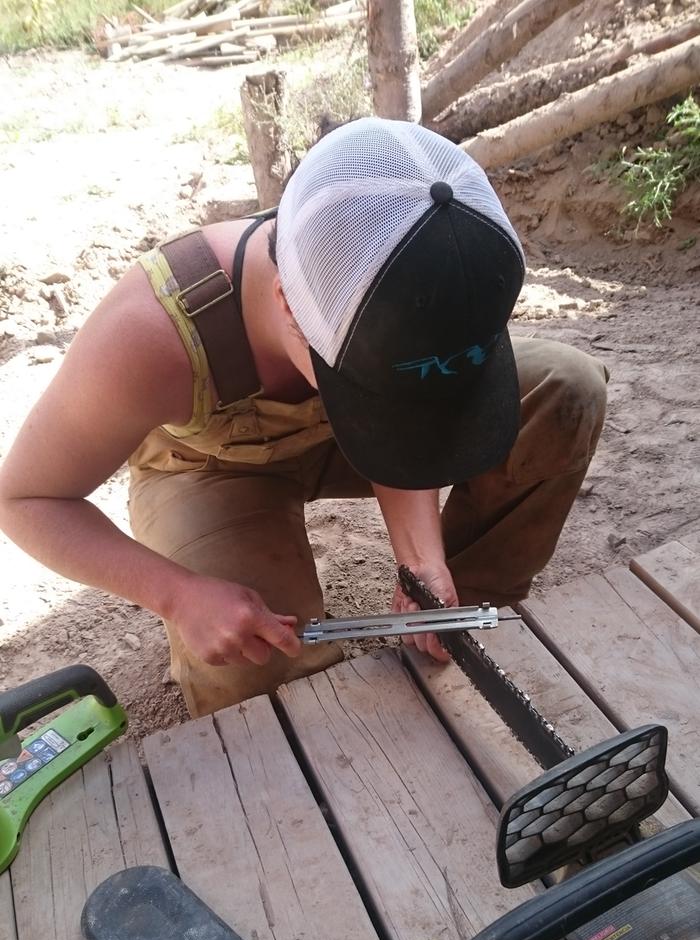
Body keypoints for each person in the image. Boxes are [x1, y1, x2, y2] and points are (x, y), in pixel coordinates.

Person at [0, 118, 607, 718]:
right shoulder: (149, 339)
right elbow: (24, 499)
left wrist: (422, 563)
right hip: (214, 465)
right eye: (366, 385)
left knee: (565, 389)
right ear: (289, 306)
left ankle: (458, 610)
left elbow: (409, 422)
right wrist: (179, 596)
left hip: (354, 435)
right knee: (254, 668)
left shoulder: (416, 263)